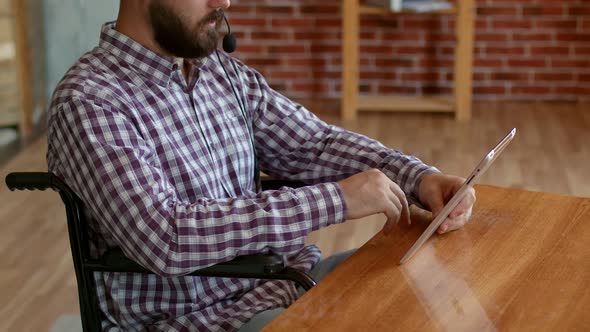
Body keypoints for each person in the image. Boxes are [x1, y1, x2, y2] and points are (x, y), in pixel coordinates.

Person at [46, 0, 476, 331]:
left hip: (287, 281)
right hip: (199, 321)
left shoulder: (218, 73)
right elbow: (165, 237)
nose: (225, 1)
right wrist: (334, 200)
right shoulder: (90, 102)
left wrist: (419, 178)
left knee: (433, 279)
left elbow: (312, 144)